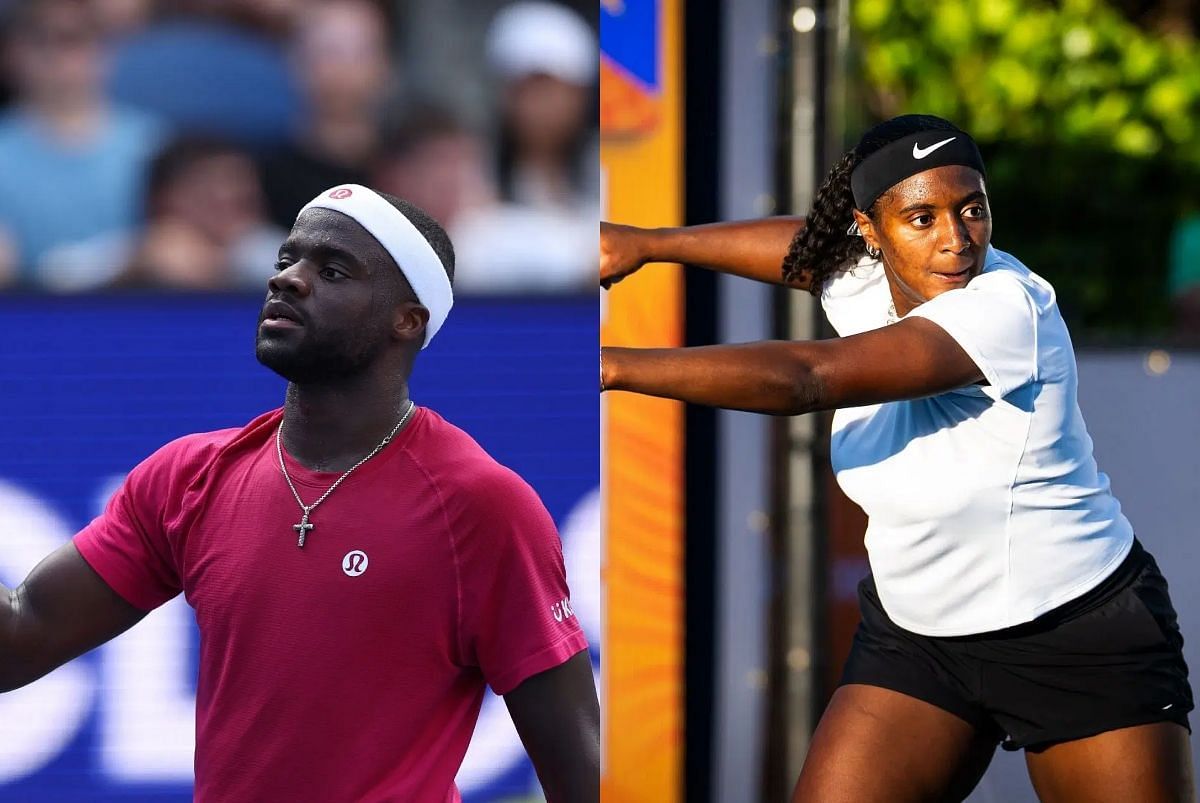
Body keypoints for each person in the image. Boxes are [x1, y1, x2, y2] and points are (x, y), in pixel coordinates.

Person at [600, 114, 1194, 802]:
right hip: (920, 637)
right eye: (922, 217)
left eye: (972, 208)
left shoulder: (1004, 306)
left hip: (1075, 633)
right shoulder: (864, 275)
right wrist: (648, 243)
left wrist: (612, 363)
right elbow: (803, 247)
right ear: (869, 232)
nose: (955, 239)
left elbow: (809, 377)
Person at [0, 184, 599, 802]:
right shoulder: (187, 477)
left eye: (332, 270)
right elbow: (20, 640)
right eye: (286, 260)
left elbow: (582, 773)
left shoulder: (481, 506)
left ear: (407, 320)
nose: (288, 280)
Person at [0, 0, 165, 286]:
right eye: (43, 41)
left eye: (75, 40)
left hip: (139, 312)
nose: (61, 57)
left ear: (107, 52)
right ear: (12, 54)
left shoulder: (155, 143)